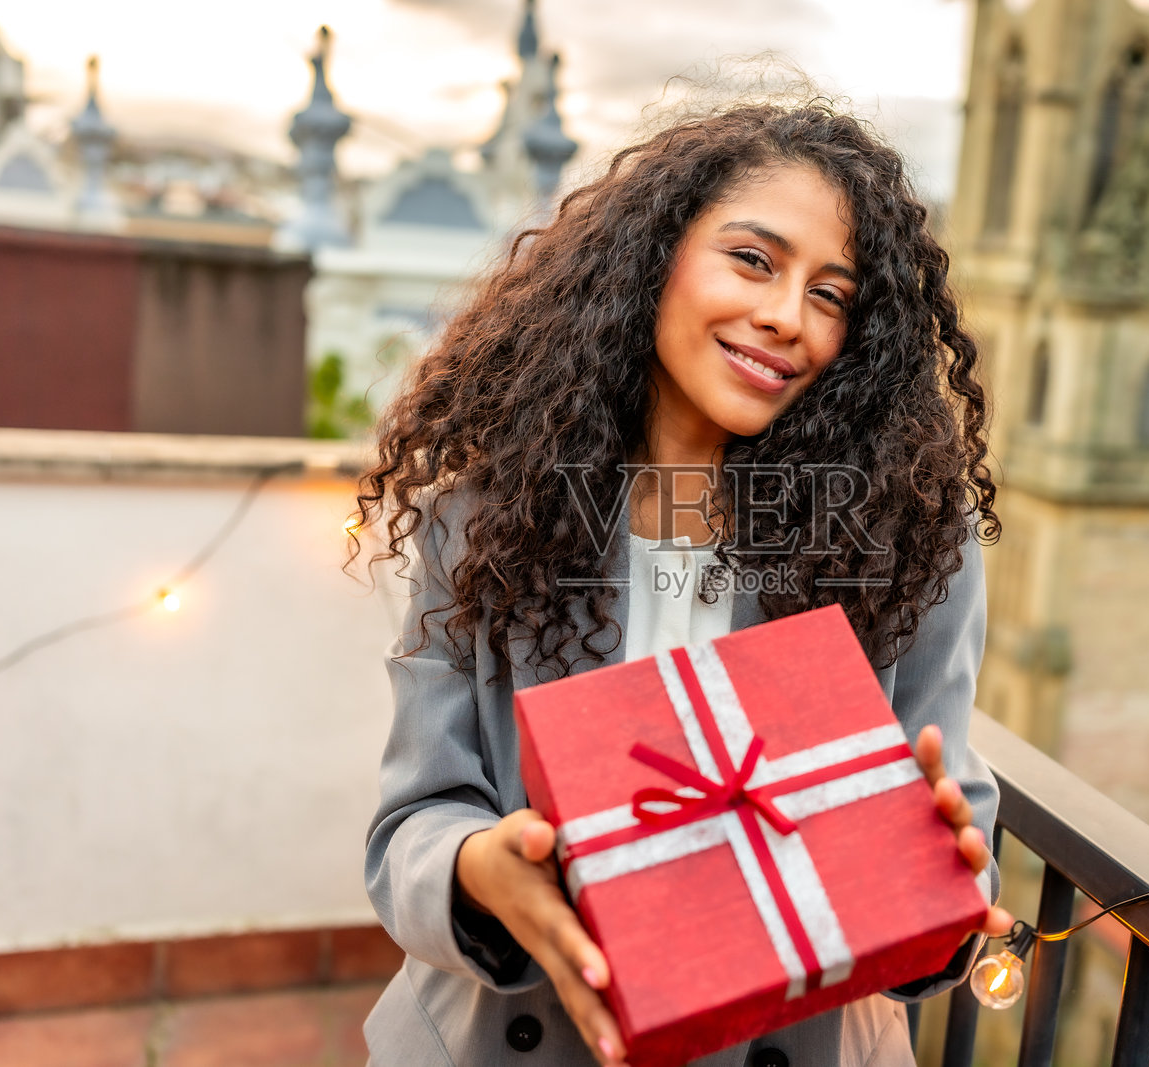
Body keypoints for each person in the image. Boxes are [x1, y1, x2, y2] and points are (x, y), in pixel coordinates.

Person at [353, 100, 1014, 1067]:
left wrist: (941, 889)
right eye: (753, 259)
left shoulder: (903, 533)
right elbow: (412, 823)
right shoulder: (493, 514)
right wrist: (479, 869)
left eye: (832, 295)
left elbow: (953, 826)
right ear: (655, 257)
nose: (787, 317)